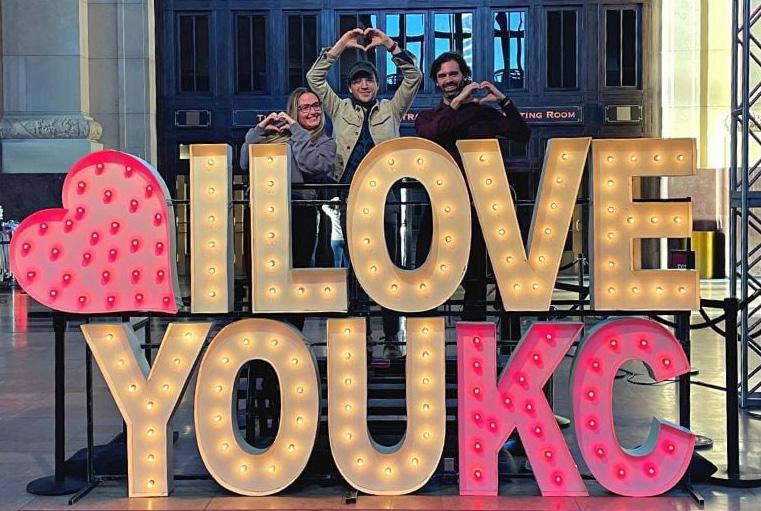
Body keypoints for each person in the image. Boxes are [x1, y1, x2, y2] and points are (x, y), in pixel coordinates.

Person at [307, 27, 423, 359]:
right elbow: (314, 78)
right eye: (357, 81)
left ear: (376, 83)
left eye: (368, 80)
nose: (363, 85)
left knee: (389, 268)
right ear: (350, 87)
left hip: (385, 199)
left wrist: (389, 45)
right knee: (357, 270)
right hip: (350, 198)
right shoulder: (340, 109)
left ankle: (391, 338)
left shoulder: (391, 109)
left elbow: (413, 78)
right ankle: (362, 338)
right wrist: (341, 47)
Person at [415, 51, 531, 321]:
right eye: (442, 76)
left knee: (476, 277)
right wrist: (456, 104)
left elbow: (522, 134)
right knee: (426, 272)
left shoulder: (483, 114)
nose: (448, 80)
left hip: (477, 208)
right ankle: (426, 337)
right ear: (436, 82)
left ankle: (475, 337)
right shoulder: (427, 117)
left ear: (464, 76)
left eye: (453, 74)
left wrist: (503, 100)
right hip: (440, 207)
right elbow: (430, 135)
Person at [240, 87, 337, 330]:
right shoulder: (274, 137)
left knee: (296, 276)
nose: (312, 111)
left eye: (315, 106)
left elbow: (312, 165)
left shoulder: (325, 143)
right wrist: (259, 131)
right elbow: (244, 162)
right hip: (264, 213)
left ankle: (293, 334)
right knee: (261, 278)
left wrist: (296, 131)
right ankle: (264, 334)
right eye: (305, 107)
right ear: (295, 110)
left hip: (299, 212)